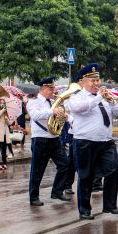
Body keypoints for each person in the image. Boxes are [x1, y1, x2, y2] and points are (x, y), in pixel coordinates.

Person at [65, 63, 118, 220]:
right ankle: (84, 209)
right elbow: (81, 109)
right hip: (85, 142)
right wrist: (99, 97)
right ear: (83, 82)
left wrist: (112, 101)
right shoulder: (76, 97)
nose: (97, 83)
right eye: (92, 80)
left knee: (114, 170)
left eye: (98, 80)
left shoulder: (104, 97)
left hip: (106, 141)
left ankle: (110, 205)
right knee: (86, 175)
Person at [26, 77, 71, 206]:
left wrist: (63, 114)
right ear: (44, 89)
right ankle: (34, 197)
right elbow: (35, 115)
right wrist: (52, 111)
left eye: (53, 88)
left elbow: (59, 115)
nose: (53, 91)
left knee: (65, 164)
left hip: (54, 139)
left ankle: (57, 191)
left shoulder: (53, 102)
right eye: (51, 89)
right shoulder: (33, 101)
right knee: (38, 169)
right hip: (40, 139)